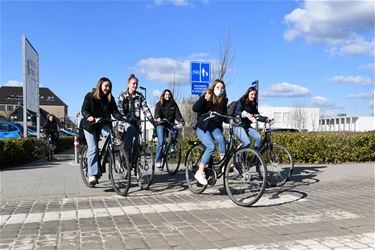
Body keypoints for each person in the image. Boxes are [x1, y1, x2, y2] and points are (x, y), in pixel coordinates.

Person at [81, 77, 125, 185]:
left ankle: (110, 162)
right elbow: (84, 109)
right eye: (106, 86)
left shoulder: (110, 98)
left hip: (103, 123)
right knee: (93, 148)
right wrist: (88, 116)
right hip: (90, 125)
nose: (108, 88)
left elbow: (114, 112)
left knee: (112, 138)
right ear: (100, 85)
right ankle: (92, 174)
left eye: (109, 86)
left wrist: (121, 117)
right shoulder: (90, 96)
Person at [192, 79, 228, 185]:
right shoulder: (207, 96)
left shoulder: (223, 101)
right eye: (217, 87)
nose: (220, 90)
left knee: (221, 138)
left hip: (214, 127)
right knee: (211, 146)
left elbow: (225, 116)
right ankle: (199, 172)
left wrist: (233, 119)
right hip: (202, 126)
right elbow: (195, 108)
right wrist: (203, 99)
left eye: (222, 88)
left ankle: (223, 163)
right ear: (213, 88)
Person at [117, 74, 154, 164]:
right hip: (125, 122)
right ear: (128, 84)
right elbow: (119, 108)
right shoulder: (123, 95)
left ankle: (134, 162)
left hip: (136, 123)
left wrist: (152, 120)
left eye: (136, 84)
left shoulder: (140, 96)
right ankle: (125, 158)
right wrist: (123, 116)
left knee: (137, 143)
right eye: (133, 83)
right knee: (130, 132)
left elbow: (145, 109)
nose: (135, 86)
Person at [154, 89, 185, 169]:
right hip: (161, 124)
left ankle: (171, 147)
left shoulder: (173, 104)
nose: (167, 96)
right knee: (161, 142)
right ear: (163, 95)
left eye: (169, 94)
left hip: (170, 124)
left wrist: (181, 120)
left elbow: (177, 114)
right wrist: (158, 117)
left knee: (175, 128)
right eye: (166, 94)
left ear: (170, 95)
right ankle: (158, 160)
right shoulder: (159, 104)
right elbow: (157, 112)